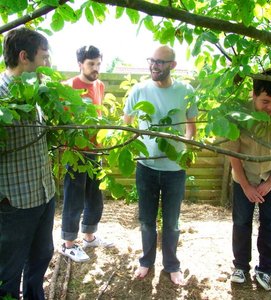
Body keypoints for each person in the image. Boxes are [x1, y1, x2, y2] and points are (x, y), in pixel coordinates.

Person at [123, 45, 198, 285]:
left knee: (172, 223)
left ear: (172, 65)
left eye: (160, 62)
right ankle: (146, 262)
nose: (154, 65)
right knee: (146, 220)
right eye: (152, 60)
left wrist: (187, 146)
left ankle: (172, 265)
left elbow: (191, 126)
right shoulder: (139, 90)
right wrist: (135, 149)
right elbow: (127, 125)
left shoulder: (186, 91)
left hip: (175, 170)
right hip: (146, 168)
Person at [226, 69, 271, 290]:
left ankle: (265, 270)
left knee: (269, 225)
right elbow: (233, 153)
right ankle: (240, 266)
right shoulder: (238, 113)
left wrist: (269, 182)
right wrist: (247, 186)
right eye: (266, 101)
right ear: (253, 94)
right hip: (243, 178)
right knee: (241, 223)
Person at [0, 28, 56, 299]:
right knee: (7, 271)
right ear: (24, 57)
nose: (48, 63)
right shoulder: (1, 95)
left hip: (44, 193)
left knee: (42, 256)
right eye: (44, 57)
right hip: (15, 203)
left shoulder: (38, 92)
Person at [60, 45, 113, 263]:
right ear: (80, 64)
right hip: (76, 153)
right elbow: (63, 123)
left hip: (95, 151)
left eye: (98, 63)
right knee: (74, 198)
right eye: (91, 64)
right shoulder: (69, 86)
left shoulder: (100, 85)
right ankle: (68, 244)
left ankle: (89, 236)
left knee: (94, 196)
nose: (96, 68)